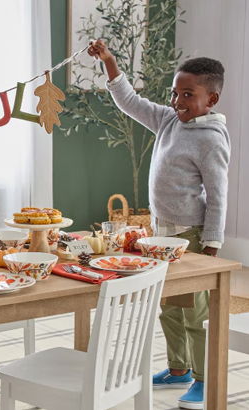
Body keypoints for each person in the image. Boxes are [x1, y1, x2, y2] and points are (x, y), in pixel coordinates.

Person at [88, 39, 229, 410]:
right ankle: (178, 368)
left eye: (187, 94)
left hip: (190, 237)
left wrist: (212, 245)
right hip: (160, 233)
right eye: (174, 93)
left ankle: (202, 377)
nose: (177, 101)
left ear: (211, 100)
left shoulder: (211, 140)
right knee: (167, 306)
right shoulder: (169, 120)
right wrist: (110, 63)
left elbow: (217, 196)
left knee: (194, 310)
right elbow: (131, 102)